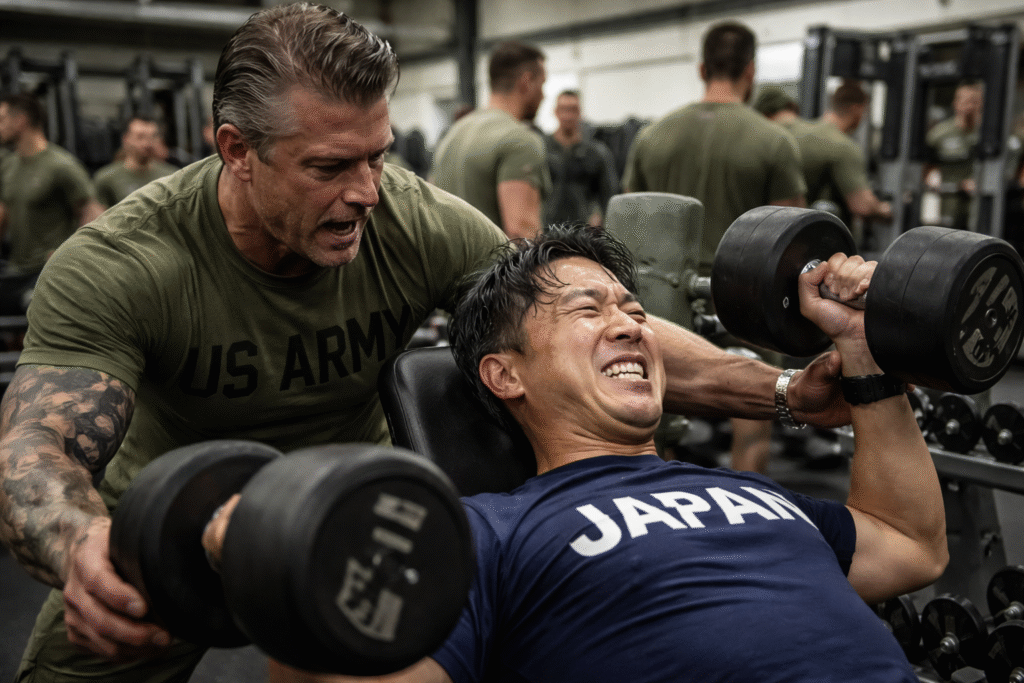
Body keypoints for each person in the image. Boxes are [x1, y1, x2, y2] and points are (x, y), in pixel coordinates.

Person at [0, 6, 854, 683]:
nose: (367, 192)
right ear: (237, 151)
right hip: (169, 523)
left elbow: (584, 320)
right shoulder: (126, 261)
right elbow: (33, 448)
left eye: (377, 156)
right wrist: (83, 546)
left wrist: (777, 391)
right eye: (330, 166)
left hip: (353, 515)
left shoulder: (412, 217)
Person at [203, 223, 947, 683]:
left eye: (632, 309)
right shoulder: (485, 532)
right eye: (589, 310)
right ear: (505, 374)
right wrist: (273, 574)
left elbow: (911, 544)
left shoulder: (759, 494)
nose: (630, 326)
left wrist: (860, 349)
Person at [622, 21, 806, 474]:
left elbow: (628, 225)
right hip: (741, 301)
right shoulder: (773, 141)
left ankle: (657, 513)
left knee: (654, 421)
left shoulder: (652, 137)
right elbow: (793, 243)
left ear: (702, 67)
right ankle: (743, 519)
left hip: (662, 302)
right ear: (751, 71)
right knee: (756, 414)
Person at [432, 41, 551, 239]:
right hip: (494, 269)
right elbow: (521, 232)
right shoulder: (521, 140)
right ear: (526, 82)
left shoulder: (452, 135)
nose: (543, 95)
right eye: (542, 84)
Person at [0, 93, 105, 315]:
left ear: (20, 121)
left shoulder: (61, 165)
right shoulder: (8, 166)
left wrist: (68, 254)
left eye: (2, 119)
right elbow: (4, 213)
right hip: (16, 270)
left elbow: (94, 214)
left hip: (47, 272)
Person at [754, 83, 891, 233]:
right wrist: (885, 210)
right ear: (857, 109)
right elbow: (863, 207)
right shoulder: (841, 145)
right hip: (801, 233)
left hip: (762, 226)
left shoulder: (797, 132)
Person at [543, 90, 620, 226]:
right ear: (555, 112)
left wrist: (599, 217)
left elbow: (609, 194)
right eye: (563, 109)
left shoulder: (597, 153)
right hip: (547, 229)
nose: (568, 115)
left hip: (583, 232)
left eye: (573, 110)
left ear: (580, 112)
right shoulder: (543, 149)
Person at [925, 80, 983, 231]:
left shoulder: (988, 135)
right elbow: (925, 170)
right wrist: (931, 181)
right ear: (955, 103)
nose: (968, 106)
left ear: (981, 104)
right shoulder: (939, 134)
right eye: (963, 100)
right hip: (949, 208)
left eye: (973, 101)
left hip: (980, 210)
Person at [92, 116, 178, 207]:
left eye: (152, 137)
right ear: (126, 139)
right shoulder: (106, 178)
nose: (147, 143)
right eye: (140, 137)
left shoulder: (171, 176)